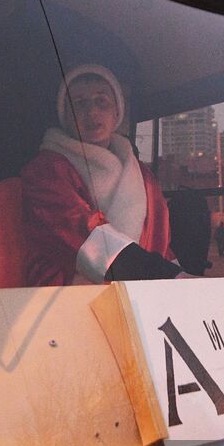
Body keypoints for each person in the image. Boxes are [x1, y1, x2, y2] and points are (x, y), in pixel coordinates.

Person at [21, 65, 183, 285]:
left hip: (143, 292)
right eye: (79, 104)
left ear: (117, 112)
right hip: (68, 294)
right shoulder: (45, 170)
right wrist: (159, 272)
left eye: (102, 101)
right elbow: (75, 229)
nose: (92, 112)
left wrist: (176, 283)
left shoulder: (144, 176)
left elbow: (161, 242)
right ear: (65, 116)